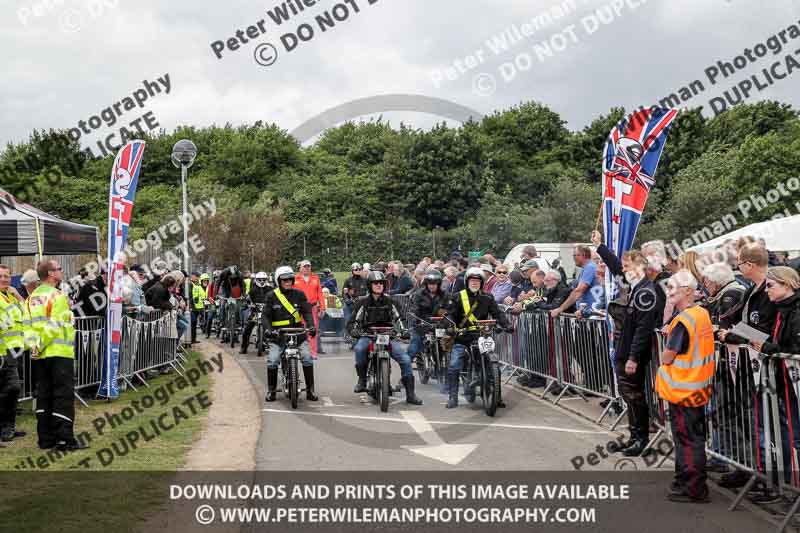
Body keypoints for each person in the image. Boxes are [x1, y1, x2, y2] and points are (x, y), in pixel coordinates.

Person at [592, 230, 658, 456]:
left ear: (639, 267)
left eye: (628, 266)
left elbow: (643, 329)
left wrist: (633, 358)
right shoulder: (635, 286)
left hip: (633, 353)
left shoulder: (646, 291)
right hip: (624, 349)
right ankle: (633, 435)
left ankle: (642, 439)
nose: (624, 270)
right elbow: (616, 268)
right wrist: (600, 246)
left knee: (635, 395)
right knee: (628, 395)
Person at [656, 269, 716, 503]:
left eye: (673, 288)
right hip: (696, 387)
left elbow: (668, 356)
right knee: (692, 439)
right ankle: (687, 481)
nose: (668, 292)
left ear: (688, 291)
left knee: (687, 440)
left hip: (684, 389)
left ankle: (692, 488)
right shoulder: (701, 313)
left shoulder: (684, 320)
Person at [749, 266, 800, 498]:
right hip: (786, 384)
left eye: (771, 285)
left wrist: (768, 347)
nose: (766, 290)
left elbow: (794, 349)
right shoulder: (783, 309)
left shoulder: (795, 310)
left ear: (787, 284)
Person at [27, 260, 88, 451]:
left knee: (44, 395)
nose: (62, 271)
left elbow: (27, 326)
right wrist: (41, 344)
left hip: (40, 354)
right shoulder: (57, 296)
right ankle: (64, 439)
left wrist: (34, 346)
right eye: (59, 269)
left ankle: (45, 438)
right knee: (62, 396)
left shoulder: (31, 298)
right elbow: (54, 325)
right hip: (59, 353)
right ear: (51, 273)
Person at [347, 271, 422, 405]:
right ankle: (362, 380)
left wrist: (404, 331)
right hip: (368, 335)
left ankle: (411, 394)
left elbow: (400, 319)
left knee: (405, 359)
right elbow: (353, 321)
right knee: (359, 349)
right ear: (370, 285)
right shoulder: (362, 302)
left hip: (387, 336)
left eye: (381, 283)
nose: (378, 285)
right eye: (375, 283)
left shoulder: (391, 301)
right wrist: (353, 330)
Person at [444, 267, 513, 409]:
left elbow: (497, 313)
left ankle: (497, 397)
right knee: (454, 365)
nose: (475, 283)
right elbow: (449, 314)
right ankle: (452, 397)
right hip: (462, 336)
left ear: (482, 283)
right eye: (472, 280)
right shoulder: (457, 297)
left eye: (477, 281)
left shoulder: (488, 297)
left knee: (494, 365)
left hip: (482, 336)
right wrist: (450, 326)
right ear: (467, 281)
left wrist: (507, 325)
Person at [261, 266, 318, 402]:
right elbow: (265, 316)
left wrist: (311, 326)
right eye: (284, 280)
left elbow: (307, 312)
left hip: (297, 333)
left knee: (307, 357)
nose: (288, 282)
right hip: (278, 336)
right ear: (278, 281)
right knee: (273, 360)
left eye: (290, 279)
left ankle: (310, 391)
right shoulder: (271, 296)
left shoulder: (299, 294)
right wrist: (268, 330)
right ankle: (271, 391)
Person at [0, 265, 25, 442]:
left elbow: (26, 313)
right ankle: (5, 427)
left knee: (12, 390)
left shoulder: (10, 297)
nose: (4, 279)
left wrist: (17, 295)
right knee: (11, 388)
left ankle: (9, 427)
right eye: (1, 276)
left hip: (15, 350)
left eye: (7, 276)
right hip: (3, 352)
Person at [407, 269, 447, 380]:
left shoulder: (445, 295)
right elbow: (414, 309)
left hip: (439, 326)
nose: (432, 286)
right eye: (430, 283)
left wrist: (448, 319)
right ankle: (404, 375)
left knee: (447, 344)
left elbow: (450, 309)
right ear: (426, 283)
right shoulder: (419, 294)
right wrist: (416, 320)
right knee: (414, 347)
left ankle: (446, 370)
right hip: (422, 325)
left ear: (439, 284)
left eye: (435, 283)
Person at [550, 246, 600, 319]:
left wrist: (560, 309)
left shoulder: (590, 267)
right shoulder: (587, 268)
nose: (573, 258)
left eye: (574, 255)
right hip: (588, 314)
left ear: (583, 255)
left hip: (592, 315)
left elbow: (578, 291)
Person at [294, 260, 326, 356]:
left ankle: (313, 353)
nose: (306, 268)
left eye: (308, 266)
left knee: (313, 329)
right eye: (304, 267)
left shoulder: (315, 278)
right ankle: (301, 351)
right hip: (299, 308)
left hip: (312, 308)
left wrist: (323, 308)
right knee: (300, 329)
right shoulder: (295, 278)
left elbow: (320, 293)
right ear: (300, 268)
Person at [240, 272, 274, 355]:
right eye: (260, 280)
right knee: (247, 328)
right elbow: (248, 298)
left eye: (263, 279)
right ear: (256, 280)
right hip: (255, 311)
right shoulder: (253, 289)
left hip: (266, 312)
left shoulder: (270, 289)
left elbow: (275, 299)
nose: (262, 281)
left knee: (273, 327)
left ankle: (272, 345)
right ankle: (244, 346)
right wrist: (248, 303)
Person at [342, 263, 367, 339]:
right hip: (351, 304)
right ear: (352, 270)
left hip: (361, 304)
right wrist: (347, 301)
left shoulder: (365, 281)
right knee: (348, 319)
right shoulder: (348, 280)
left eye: (359, 269)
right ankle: (348, 334)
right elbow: (344, 293)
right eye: (356, 269)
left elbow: (368, 292)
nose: (358, 271)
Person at [189, 273, 205, 343]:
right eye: (196, 277)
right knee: (193, 323)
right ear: (193, 277)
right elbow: (190, 295)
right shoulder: (190, 285)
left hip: (197, 307)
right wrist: (190, 304)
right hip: (192, 307)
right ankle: (191, 339)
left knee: (194, 323)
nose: (197, 279)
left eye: (198, 277)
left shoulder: (197, 285)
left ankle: (193, 339)